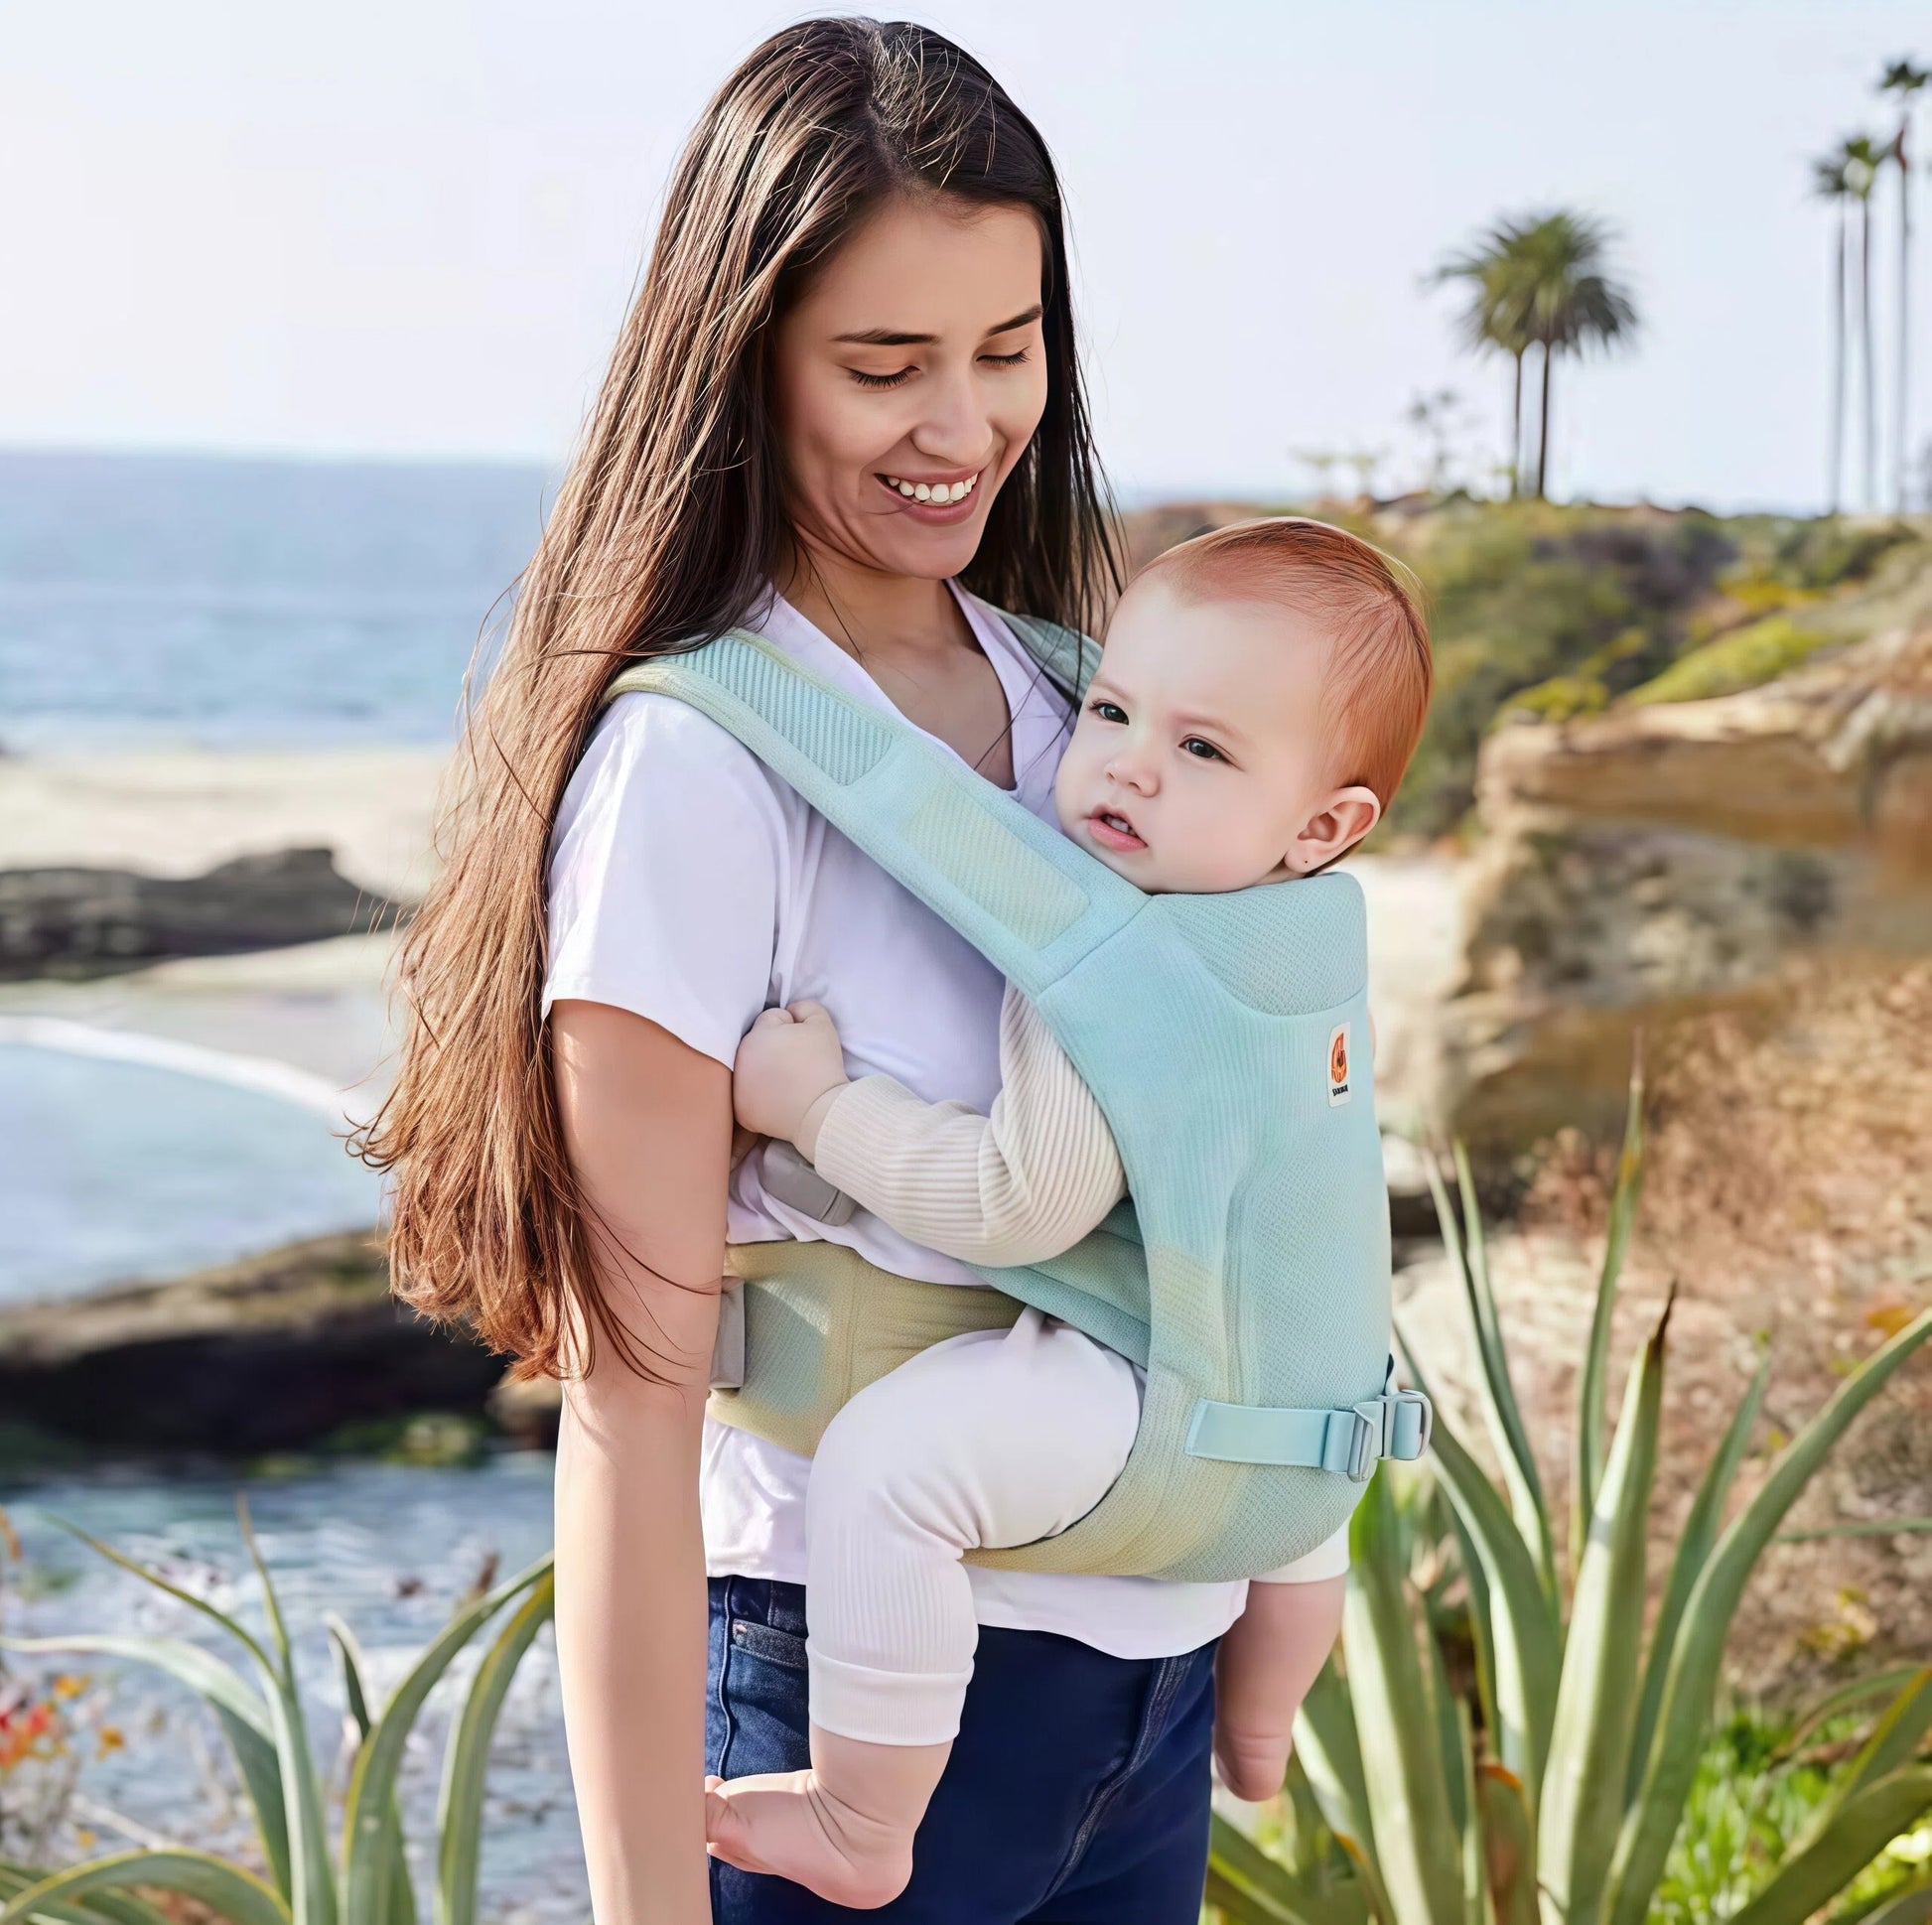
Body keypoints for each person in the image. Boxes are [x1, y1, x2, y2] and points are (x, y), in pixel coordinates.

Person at [364, 19, 1338, 1922]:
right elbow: (634, 1412)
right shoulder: (700, 771)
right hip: (849, 1709)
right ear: (741, 366)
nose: (964, 426)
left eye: (1008, 348)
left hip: (1146, 1684)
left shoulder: (1093, 713)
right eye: (884, 365)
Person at [705, 518, 1432, 1906]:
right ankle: (1262, 1736)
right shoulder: (1302, 940)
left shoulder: (1109, 951)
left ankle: (858, 1818)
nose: (1127, 764)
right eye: (1107, 709)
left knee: (893, 1471)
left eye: (1202, 750)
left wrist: (815, 1109)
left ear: (1324, 824)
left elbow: (1015, 1200)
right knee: (1296, 1500)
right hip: (1312, 1421)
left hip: (1151, 1397)